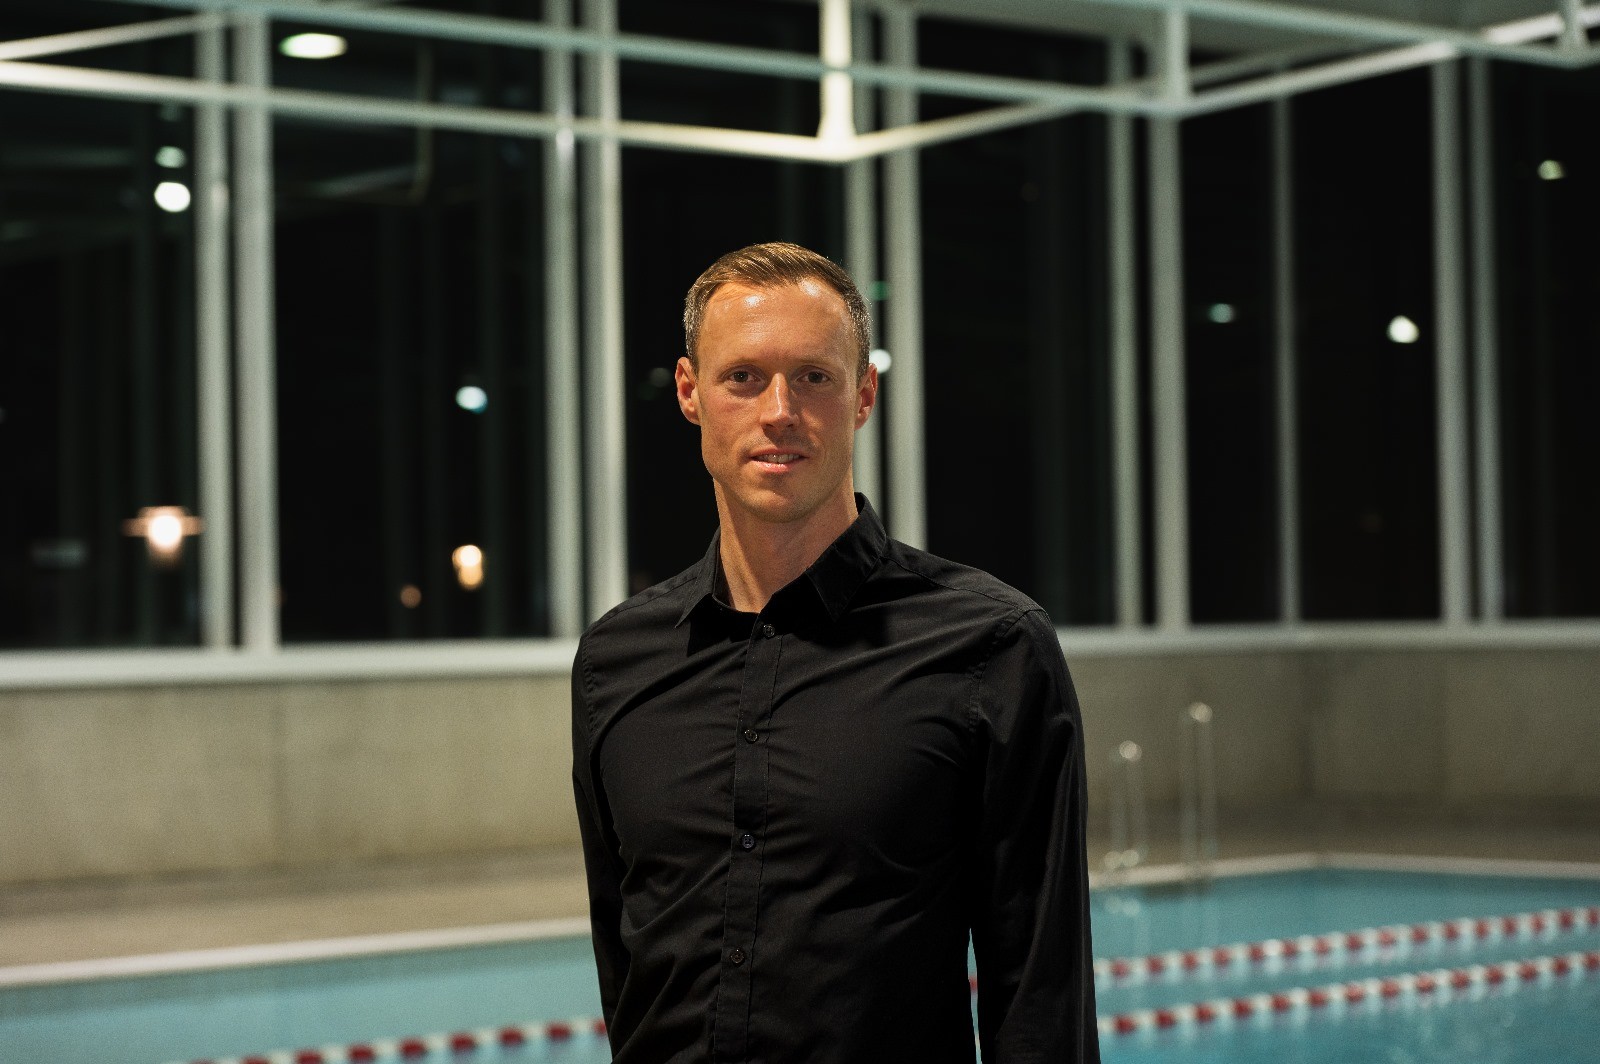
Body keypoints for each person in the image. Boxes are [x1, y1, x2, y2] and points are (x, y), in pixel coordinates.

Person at [571, 242, 1099, 1064]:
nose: (779, 410)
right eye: (743, 377)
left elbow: (1040, 996)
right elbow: (625, 960)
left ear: (862, 395)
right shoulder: (618, 660)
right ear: (689, 392)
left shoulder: (991, 647)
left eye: (813, 377)